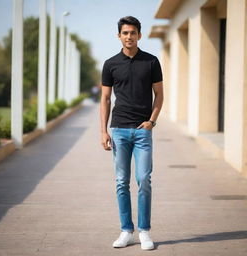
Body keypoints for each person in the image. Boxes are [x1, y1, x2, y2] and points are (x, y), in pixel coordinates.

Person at [100, 16, 164, 250]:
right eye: (125, 33)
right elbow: (105, 98)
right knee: (121, 182)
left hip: (142, 132)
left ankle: (144, 231)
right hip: (118, 130)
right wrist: (103, 131)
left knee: (144, 180)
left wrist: (151, 122)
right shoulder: (110, 64)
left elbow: (159, 95)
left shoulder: (151, 62)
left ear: (139, 35)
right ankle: (126, 230)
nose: (129, 36)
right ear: (119, 36)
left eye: (133, 32)